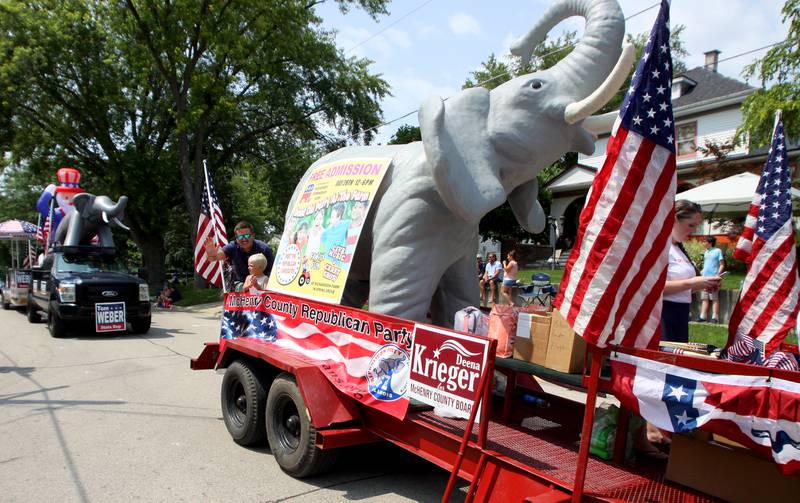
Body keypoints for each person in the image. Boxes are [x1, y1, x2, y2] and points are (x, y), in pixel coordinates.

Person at [661, 200, 722, 343]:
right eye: (690, 225)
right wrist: (691, 283)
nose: (693, 230)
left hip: (680, 314)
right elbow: (653, 287)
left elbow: (681, 288)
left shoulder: (679, 249)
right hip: (663, 315)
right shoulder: (661, 247)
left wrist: (703, 284)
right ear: (674, 219)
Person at [205, 221, 274, 289]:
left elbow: (272, 271)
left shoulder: (264, 249)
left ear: (253, 235)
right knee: (239, 287)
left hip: (260, 283)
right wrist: (211, 255)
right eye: (240, 237)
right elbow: (214, 258)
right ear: (236, 238)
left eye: (247, 235)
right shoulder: (232, 247)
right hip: (239, 285)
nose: (244, 239)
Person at [698, 236, 725, 323]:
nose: (703, 243)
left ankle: (715, 317)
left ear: (709, 242)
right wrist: (700, 272)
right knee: (704, 298)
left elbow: (722, 264)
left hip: (714, 278)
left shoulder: (718, 251)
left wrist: (718, 274)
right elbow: (706, 265)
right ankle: (703, 316)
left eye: (704, 241)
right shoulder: (706, 252)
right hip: (704, 278)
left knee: (714, 298)